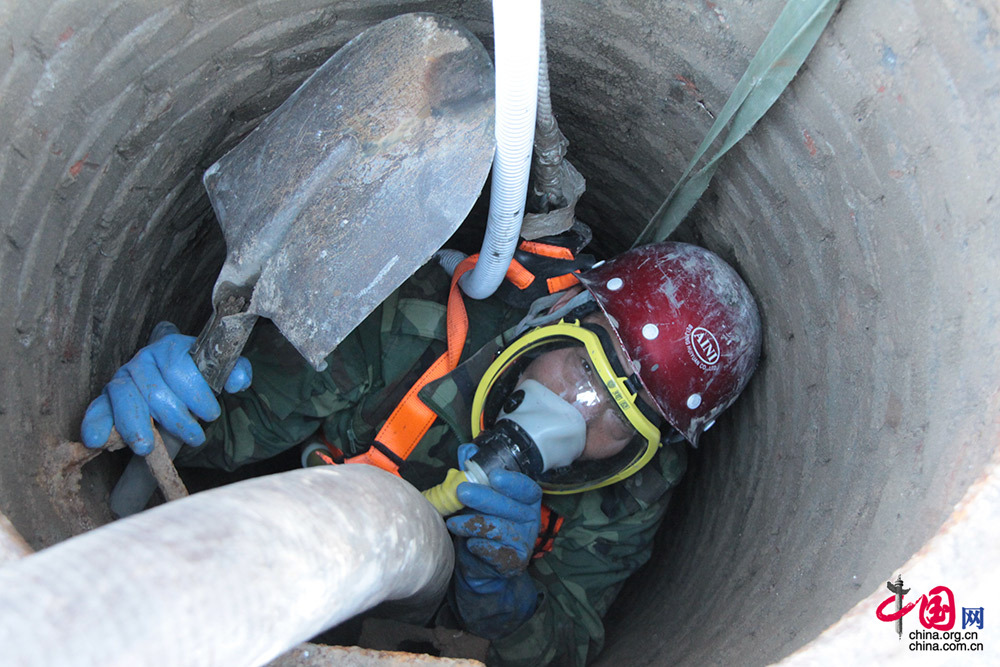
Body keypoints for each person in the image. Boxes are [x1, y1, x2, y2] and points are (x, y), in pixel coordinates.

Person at [81, 228, 762, 667]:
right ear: (561, 316)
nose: (578, 413)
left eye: (622, 416)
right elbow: (233, 427)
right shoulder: (411, 330)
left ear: (650, 444)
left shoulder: (630, 490)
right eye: (585, 366)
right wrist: (179, 395)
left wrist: (501, 596)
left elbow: (562, 645)